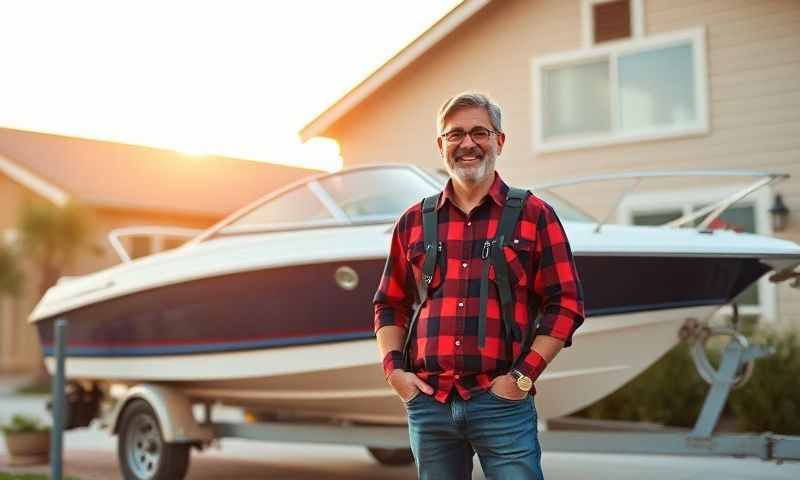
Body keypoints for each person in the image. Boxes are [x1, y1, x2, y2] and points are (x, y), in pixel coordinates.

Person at [373, 92, 585, 479]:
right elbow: (390, 303)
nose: (467, 144)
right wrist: (395, 374)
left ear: (499, 141)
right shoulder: (413, 221)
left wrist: (522, 378)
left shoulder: (535, 215)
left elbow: (566, 303)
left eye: (479, 133)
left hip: (503, 404)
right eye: (455, 135)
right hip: (430, 405)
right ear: (441, 146)